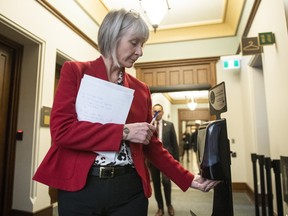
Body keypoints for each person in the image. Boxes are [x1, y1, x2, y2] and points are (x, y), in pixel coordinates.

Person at [33, 9, 219, 216]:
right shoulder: (75, 72)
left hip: (130, 191)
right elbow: (62, 131)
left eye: (142, 45)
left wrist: (187, 177)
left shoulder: (141, 90)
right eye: (134, 43)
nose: (140, 51)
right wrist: (124, 132)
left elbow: (152, 145)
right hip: (81, 189)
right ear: (113, 37)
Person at [149, 104, 179, 216]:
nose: (157, 113)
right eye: (155, 111)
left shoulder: (170, 125)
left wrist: (176, 161)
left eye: (159, 111)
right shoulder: (149, 126)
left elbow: (174, 144)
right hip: (153, 159)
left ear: (162, 112)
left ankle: (169, 205)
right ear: (152, 112)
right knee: (156, 184)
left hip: (167, 159)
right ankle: (160, 208)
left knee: (166, 182)